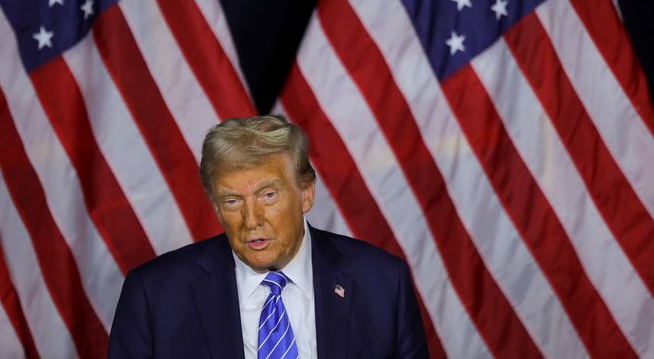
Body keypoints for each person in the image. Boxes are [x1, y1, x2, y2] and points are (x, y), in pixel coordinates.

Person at [108, 115, 429, 358]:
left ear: (305, 192)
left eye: (268, 195)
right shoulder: (155, 295)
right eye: (232, 201)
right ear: (217, 207)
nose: (252, 220)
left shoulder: (382, 283)